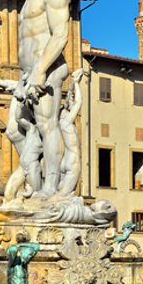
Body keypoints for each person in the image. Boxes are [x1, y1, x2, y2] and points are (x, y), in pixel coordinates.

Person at [13, 0, 71, 197]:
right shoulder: (29, 0)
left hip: (46, 70)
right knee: (14, 129)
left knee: (48, 126)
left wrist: (40, 70)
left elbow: (60, 35)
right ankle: (33, 183)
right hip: (26, 75)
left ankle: (51, 188)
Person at [55, 68, 84, 198]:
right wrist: (76, 84)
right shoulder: (67, 121)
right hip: (72, 160)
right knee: (63, 196)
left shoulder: (57, 125)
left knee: (59, 193)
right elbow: (78, 103)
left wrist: (71, 89)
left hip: (62, 162)